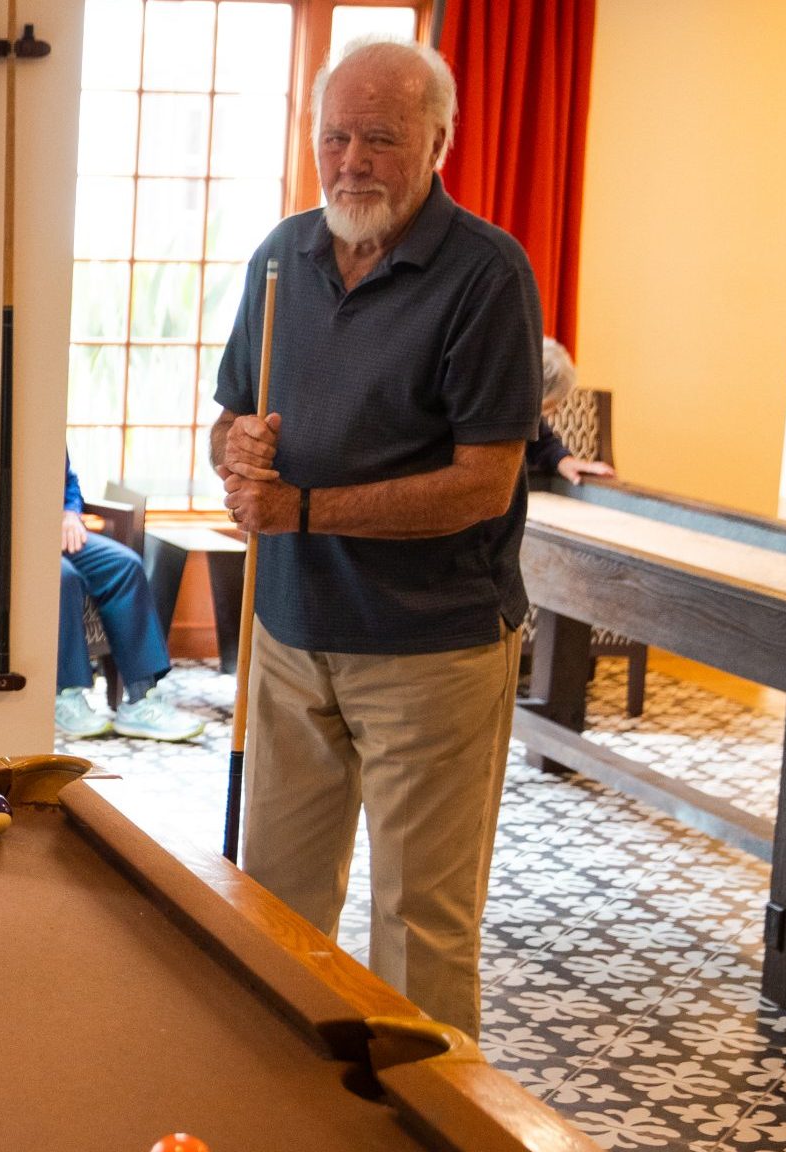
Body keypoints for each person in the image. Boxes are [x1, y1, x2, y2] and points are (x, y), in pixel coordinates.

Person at [211, 37, 541, 1039]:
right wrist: (237, 454)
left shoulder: (486, 275)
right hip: (289, 633)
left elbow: (483, 486)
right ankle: (280, 1111)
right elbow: (226, 420)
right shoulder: (282, 256)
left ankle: (433, 1128)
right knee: (269, 906)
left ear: (439, 140)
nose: (350, 159)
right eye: (335, 136)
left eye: (380, 139)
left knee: (418, 928)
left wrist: (303, 510)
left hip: (430, 651)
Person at [55, 457, 205, 742]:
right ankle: (65, 694)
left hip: (60, 529)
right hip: (18, 536)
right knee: (64, 577)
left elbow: (68, 480)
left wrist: (70, 513)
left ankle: (141, 698)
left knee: (125, 565)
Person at [529, 337, 617, 485]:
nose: (553, 412)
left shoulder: (533, 421)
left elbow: (542, 444)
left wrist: (563, 460)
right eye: (549, 405)